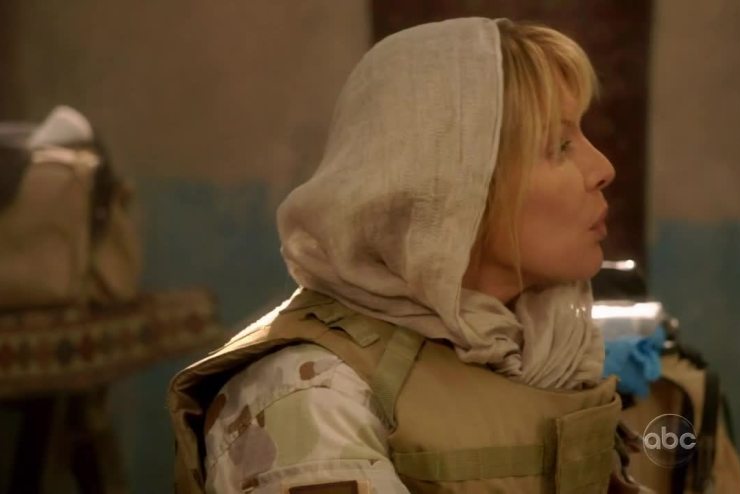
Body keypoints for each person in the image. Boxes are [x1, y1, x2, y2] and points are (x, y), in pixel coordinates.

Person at [169, 17, 635, 493]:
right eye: (560, 145)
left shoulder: (552, 352)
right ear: (453, 186)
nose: (603, 168)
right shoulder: (312, 394)